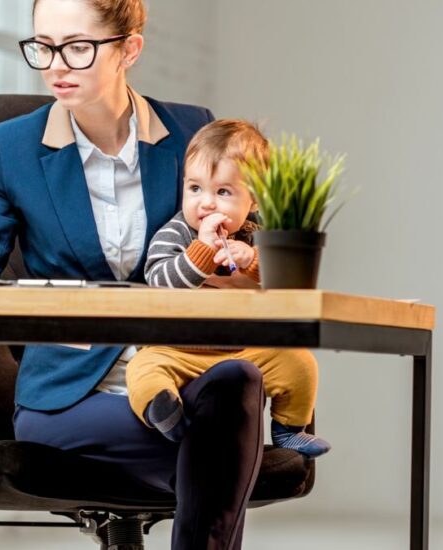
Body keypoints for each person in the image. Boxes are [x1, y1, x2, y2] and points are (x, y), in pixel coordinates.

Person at [0, 0, 319, 547]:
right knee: (221, 439)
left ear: (129, 49)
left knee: (240, 380)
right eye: (42, 46)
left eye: (77, 46)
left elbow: (253, 249)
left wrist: (242, 264)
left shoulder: (194, 132)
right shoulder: (10, 148)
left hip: (188, 372)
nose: (54, 65)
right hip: (72, 393)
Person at [128, 119, 330, 457]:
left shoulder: (256, 236)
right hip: (177, 349)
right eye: (195, 189)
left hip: (243, 349)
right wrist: (201, 253)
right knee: (143, 369)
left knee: (300, 363)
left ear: (253, 200)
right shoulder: (176, 233)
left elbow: (285, 285)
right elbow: (159, 280)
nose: (205, 203)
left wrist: (252, 259)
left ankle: (288, 429)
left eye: (222, 192)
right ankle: (166, 415)